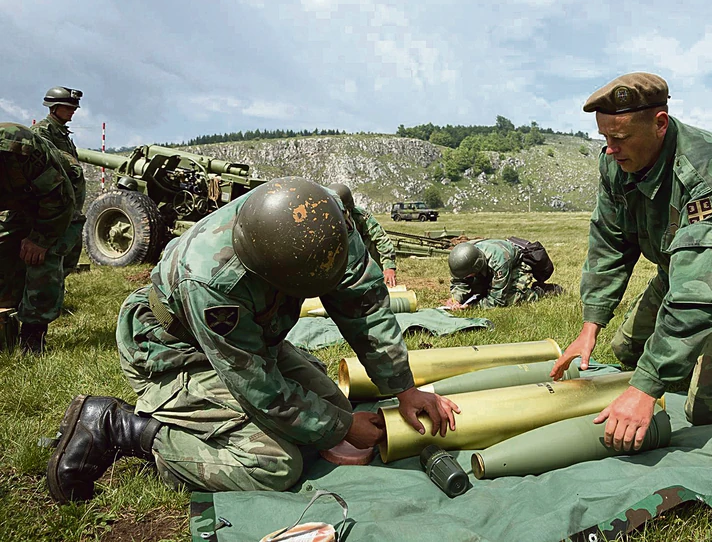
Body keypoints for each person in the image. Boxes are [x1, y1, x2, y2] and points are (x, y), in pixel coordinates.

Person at [46, 177, 459, 503]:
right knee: (274, 464)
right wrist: (343, 426)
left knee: (331, 407)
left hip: (254, 340)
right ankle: (122, 427)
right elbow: (259, 388)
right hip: (173, 352)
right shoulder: (211, 282)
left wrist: (403, 388)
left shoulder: (319, 221)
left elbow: (362, 304)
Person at [549, 72, 712, 453]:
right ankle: (710, 352)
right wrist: (590, 326)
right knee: (628, 351)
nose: (610, 149)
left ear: (660, 124)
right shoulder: (614, 162)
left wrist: (644, 389)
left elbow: (699, 296)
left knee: (711, 409)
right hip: (681, 269)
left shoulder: (706, 171)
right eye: (604, 138)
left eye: (620, 138)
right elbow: (610, 241)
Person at [0, 123, 77, 353]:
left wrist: (40, 239)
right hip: (19, 199)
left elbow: (61, 200)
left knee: (41, 257)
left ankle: (34, 334)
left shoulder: (19, 147)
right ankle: (6, 324)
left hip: (62, 190)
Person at [32, 87, 87, 278]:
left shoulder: (62, 133)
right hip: (55, 206)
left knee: (68, 255)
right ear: (53, 107)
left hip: (68, 207)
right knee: (50, 257)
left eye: (74, 108)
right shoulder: (42, 132)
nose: (73, 111)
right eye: (68, 107)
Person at [444, 240, 561, 310]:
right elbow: (459, 281)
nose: (465, 278)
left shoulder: (498, 261)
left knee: (510, 299)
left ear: (477, 267)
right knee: (478, 291)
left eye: (468, 275)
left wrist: (472, 306)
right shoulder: (464, 258)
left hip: (517, 265)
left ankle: (542, 291)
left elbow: (496, 300)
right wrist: (456, 299)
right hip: (488, 268)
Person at [328, 183, 398, 287]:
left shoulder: (361, 217)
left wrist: (389, 267)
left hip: (364, 262)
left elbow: (381, 239)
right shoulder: (324, 219)